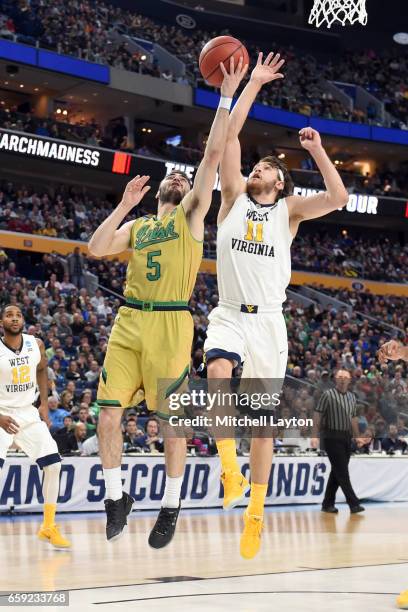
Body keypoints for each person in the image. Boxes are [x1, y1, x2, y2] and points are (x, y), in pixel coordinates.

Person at [88, 59, 247, 545]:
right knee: (106, 415)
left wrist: (226, 96)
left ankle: (171, 505)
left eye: (185, 177)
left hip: (172, 325)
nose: (180, 178)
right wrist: (122, 206)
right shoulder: (138, 227)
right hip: (129, 323)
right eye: (173, 176)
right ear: (161, 188)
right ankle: (117, 497)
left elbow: (214, 154)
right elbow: (95, 248)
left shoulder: (191, 217)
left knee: (168, 421)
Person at [204, 51, 350, 559]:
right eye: (257, 165)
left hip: (269, 323)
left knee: (264, 424)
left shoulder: (288, 212)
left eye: (266, 167)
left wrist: (318, 151)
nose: (257, 169)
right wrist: (252, 85)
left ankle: (256, 515)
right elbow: (227, 138)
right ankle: (228, 467)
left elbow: (339, 199)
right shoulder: (231, 198)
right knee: (217, 372)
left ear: (280, 182)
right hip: (228, 312)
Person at [0, 305, 70, 548]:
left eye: (18, 315)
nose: (14, 318)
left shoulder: (35, 344)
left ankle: (48, 527)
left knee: (53, 464)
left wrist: (43, 404)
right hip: (1, 414)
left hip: (27, 413)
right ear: (2, 321)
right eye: (9, 315)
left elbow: (42, 369)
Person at [311, 369, 364, 515]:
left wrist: (357, 436)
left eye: (345, 377)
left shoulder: (352, 397)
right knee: (342, 471)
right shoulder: (327, 395)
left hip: (346, 437)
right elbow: (317, 414)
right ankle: (353, 503)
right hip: (331, 436)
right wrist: (314, 435)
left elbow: (353, 418)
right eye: (339, 377)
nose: (342, 379)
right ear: (335, 379)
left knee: (337, 471)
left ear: (349, 380)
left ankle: (327, 503)